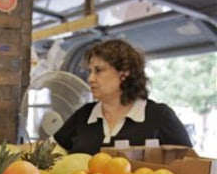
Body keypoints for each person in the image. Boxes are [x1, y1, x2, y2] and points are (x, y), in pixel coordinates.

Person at [54, 39, 193, 155]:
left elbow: (190, 164)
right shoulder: (84, 115)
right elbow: (53, 149)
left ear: (125, 73)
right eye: (90, 71)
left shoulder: (160, 117)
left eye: (99, 70)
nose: (90, 79)